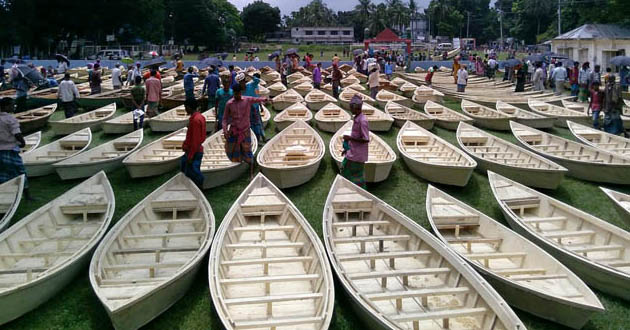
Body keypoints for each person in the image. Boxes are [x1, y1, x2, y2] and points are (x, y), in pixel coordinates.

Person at [222, 84, 267, 179]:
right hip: (234, 131)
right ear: (233, 93)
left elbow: (257, 99)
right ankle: (244, 160)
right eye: (235, 94)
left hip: (245, 131)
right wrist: (225, 130)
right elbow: (225, 119)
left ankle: (251, 171)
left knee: (248, 151)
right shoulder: (229, 104)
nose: (237, 95)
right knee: (230, 149)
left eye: (238, 93)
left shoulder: (247, 100)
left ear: (240, 93)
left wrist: (265, 99)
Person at [0, 97, 32, 200]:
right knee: (20, 172)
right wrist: (22, 142)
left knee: (3, 173)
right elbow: (17, 133)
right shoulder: (10, 119)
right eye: (12, 105)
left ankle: (5, 193)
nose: (14, 106)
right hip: (10, 149)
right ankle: (26, 194)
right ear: (5, 106)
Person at [341, 94, 370, 189]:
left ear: (357, 108)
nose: (350, 110)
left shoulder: (363, 121)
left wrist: (350, 138)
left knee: (356, 175)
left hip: (358, 155)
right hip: (353, 152)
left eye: (351, 108)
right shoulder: (357, 118)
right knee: (346, 169)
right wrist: (347, 149)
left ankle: (359, 191)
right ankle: (349, 188)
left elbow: (366, 139)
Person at [180, 98, 206, 188]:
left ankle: (199, 186)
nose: (185, 109)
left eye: (185, 107)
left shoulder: (195, 120)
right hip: (195, 150)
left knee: (193, 172)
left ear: (189, 107)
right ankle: (193, 187)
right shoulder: (200, 117)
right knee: (186, 167)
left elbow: (195, 141)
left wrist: (191, 156)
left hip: (194, 151)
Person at [242, 73, 267, 143]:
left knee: (258, 123)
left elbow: (257, 96)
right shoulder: (247, 86)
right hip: (248, 108)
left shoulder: (255, 85)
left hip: (255, 107)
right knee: (252, 124)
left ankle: (263, 137)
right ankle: (255, 140)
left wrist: (260, 106)